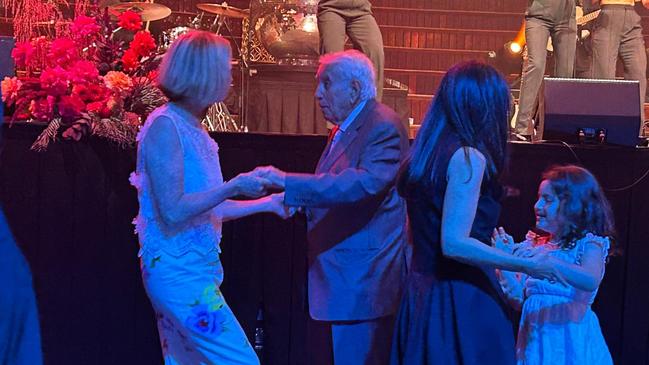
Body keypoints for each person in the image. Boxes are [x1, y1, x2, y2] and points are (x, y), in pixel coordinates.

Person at [130, 31, 289, 364]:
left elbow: (208, 208)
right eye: (225, 68)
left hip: (196, 271)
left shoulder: (194, 128)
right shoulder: (166, 126)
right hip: (177, 273)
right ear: (205, 74)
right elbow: (173, 211)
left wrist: (267, 204)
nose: (230, 76)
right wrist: (232, 186)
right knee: (240, 360)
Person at [391, 61, 564, 364]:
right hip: (462, 297)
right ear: (484, 107)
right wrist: (526, 265)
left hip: (425, 293)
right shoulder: (468, 156)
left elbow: (413, 235)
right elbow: (454, 243)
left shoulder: (427, 153)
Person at [255, 50, 410, 364]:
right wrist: (296, 202)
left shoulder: (382, 126)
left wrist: (288, 182)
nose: (317, 94)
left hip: (361, 288)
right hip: (337, 284)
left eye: (326, 84)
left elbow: (364, 184)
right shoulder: (349, 126)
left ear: (354, 89)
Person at [492, 165, 615, 364]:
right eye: (539, 197)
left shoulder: (589, 244)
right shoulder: (534, 244)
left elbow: (590, 279)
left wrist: (547, 262)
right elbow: (517, 300)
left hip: (572, 345)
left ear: (573, 205)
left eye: (547, 200)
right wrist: (505, 260)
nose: (537, 206)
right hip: (537, 346)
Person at [514, 0, 577, 140]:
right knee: (536, 65)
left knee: (565, 73)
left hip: (566, 19)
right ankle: (522, 127)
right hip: (538, 16)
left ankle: (560, 128)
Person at [588, 0, 649, 122]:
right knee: (604, 79)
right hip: (608, 12)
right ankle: (602, 129)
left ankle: (635, 131)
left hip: (632, 15)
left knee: (638, 75)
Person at [317, 0, 385, 100]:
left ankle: (371, 108)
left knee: (375, 52)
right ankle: (335, 108)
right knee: (333, 60)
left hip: (361, 9)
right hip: (331, 7)